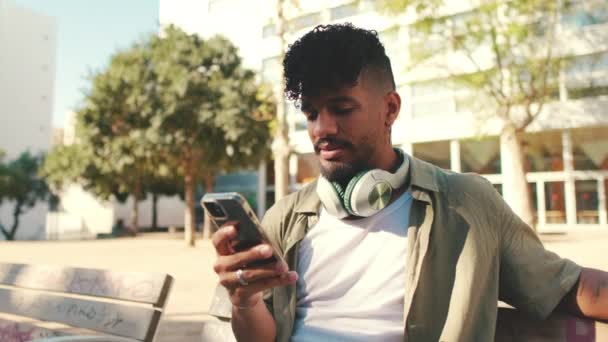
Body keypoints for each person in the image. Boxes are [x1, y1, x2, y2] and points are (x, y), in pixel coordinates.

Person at [212, 23, 608, 342]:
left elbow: (566, 285)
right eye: (311, 113)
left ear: (391, 109)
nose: (322, 128)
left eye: (342, 108)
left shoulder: (467, 205)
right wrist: (244, 302)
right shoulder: (285, 216)